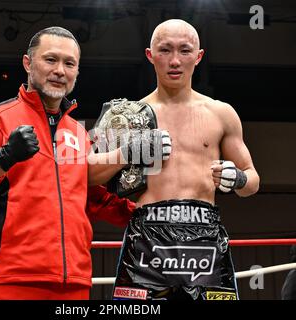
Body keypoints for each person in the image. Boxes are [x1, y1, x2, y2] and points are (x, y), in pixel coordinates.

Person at [0, 26, 136, 300]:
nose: (60, 70)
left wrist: (150, 211)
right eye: (50, 59)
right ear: (28, 63)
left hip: (74, 283)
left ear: (77, 71)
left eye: (69, 63)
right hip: (9, 281)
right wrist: (2, 158)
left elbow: (93, 199)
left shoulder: (78, 132)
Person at [93, 19, 260, 300]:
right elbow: (87, 177)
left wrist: (239, 178)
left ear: (199, 56)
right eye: (165, 50)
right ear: (149, 55)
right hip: (146, 238)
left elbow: (252, 181)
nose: (175, 61)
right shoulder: (127, 117)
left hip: (204, 235)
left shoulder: (221, 113)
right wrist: (127, 153)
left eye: (184, 51)